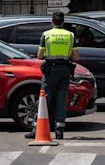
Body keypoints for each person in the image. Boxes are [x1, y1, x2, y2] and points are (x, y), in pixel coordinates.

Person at [25, 12, 79, 140]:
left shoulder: (47, 35)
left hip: (51, 70)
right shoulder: (70, 35)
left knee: (44, 99)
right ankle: (59, 130)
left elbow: (39, 55)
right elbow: (76, 57)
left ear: (52, 21)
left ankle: (36, 129)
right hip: (65, 70)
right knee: (61, 99)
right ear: (63, 22)